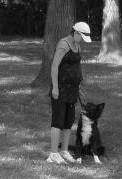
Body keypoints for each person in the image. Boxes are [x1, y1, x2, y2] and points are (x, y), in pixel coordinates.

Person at [47, 22, 92, 164]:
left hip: (72, 90)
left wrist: (78, 85)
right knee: (58, 121)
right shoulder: (63, 44)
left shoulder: (77, 45)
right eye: (82, 37)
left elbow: (77, 66)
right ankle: (53, 154)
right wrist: (55, 87)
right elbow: (54, 67)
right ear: (76, 33)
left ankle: (64, 151)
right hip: (60, 88)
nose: (82, 41)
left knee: (68, 121)